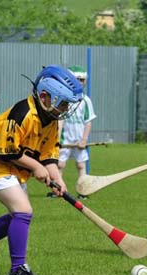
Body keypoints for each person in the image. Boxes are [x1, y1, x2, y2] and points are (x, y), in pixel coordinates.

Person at [0, 65, 83, 275]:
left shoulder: (51, 120)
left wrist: (57, 178)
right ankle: (17, 270)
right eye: (62, 103)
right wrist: (36, 167)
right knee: (23, 211)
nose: (65, 108)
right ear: (44, 96)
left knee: (16, 215)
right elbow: (6, 152)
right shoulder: (21, 113)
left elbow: (48, 156)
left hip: (15, 169)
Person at [46, 65, 96, 199]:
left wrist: (84, 139)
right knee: (60, 164)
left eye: (82, 80)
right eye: (77, 79)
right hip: (65, 139)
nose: (80, 82)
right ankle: (57, 190)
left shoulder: (86, 101)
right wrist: (57, 137)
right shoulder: (64, 98)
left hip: (79, 139)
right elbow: (60, 120)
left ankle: (83, 192)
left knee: (80, 165)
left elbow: (88, 121)